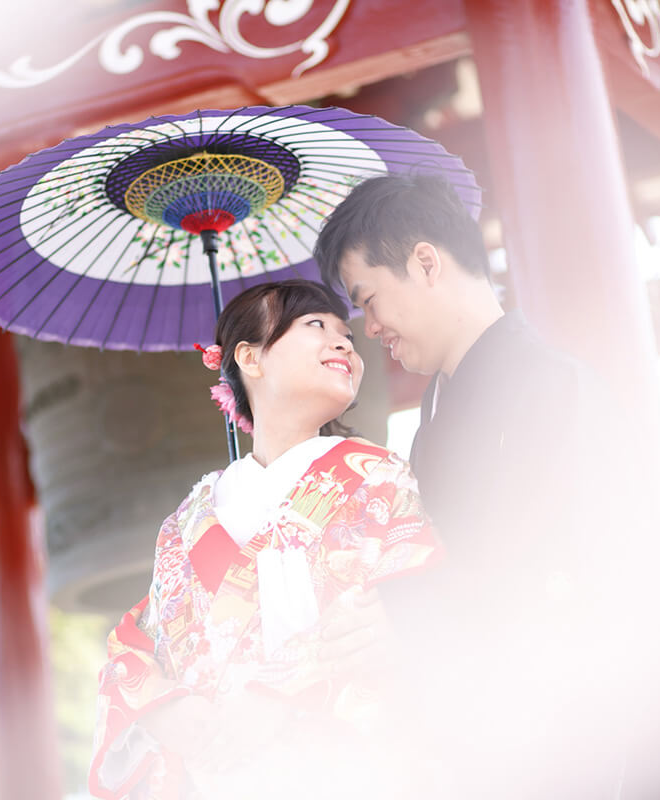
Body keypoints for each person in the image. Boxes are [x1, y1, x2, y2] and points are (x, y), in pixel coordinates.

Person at [313, 173, 660, 799]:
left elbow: (560, 572)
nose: (369, 327)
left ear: (426, 262)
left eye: (369, 298)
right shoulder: (435, 420)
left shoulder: (553, 387)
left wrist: (403, 614)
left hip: (594, 744)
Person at [88, 279, 442, 800]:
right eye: (316, 326)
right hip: (217, 778)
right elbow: (141, 640)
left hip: (338, 768)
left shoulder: (377, 475)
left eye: (347, 333)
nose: (345, 342)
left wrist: (275, 695)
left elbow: (411, 601)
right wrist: (165, 708)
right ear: (249, 358)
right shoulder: (187, 521)